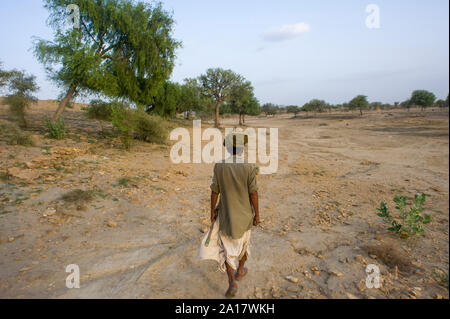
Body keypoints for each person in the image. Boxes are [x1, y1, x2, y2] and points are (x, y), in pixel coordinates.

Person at [198, 132, 260, 298]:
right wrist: (257, 215)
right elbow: (254, 194)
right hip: (245, 216)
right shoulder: (249, 167)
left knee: (226, 249)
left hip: (226, 216)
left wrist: (212, 212)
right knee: (244, 245)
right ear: (241, 149)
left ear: (228, 149)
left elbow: (214, 192)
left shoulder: (219, 166)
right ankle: (240, 271)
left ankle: (232, 282)